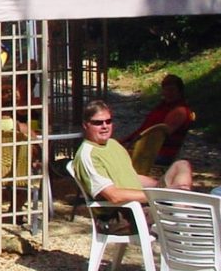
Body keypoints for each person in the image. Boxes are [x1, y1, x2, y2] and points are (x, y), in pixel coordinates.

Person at [73, 99, 192, 227]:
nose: (105, 126)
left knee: (182, 165)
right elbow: (114, 196)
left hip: (143, 203)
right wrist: (158, 195)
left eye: (108, 121)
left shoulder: (112, 144)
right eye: (98, 123)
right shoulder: (88, 155)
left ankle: (180, 215)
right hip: (125, 214)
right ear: (86, 125)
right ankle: (181, 221)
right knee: (190, 210)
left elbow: (132, 177)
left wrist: (161, 187)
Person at [121, 74, 193, 170]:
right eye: (166, 90)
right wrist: (125, 141)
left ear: (179, 92)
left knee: (115, 156)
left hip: (160, 154)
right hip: (147, 148)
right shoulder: (162, 107)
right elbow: (144, 128)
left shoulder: (179, 111)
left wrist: (132, 148)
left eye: (172, 90)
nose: (168, 93)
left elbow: (158, 136)